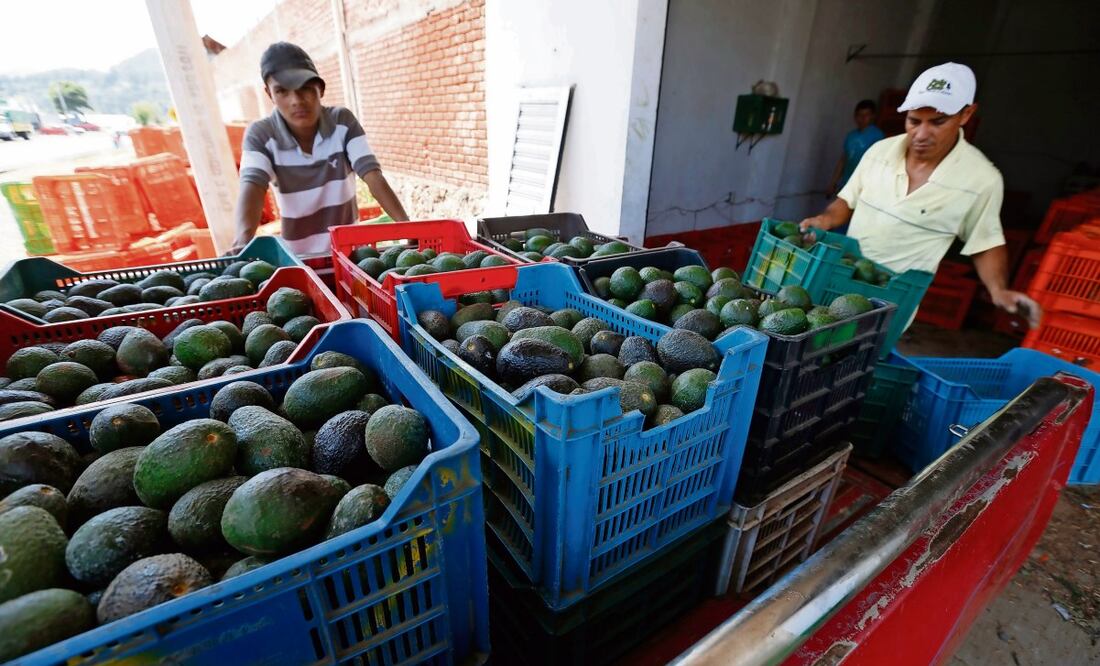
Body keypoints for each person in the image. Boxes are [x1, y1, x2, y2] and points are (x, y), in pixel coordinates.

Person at [800, 62, 1040, 328]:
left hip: (892, 305)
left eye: (938, 122)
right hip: (840, 284)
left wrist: (998, 290)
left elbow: (985, 242)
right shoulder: (879, 152)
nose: (922, 134)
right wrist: (824, 220)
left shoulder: (982, 179)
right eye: (914, 121)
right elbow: (846, 201)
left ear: (966, 114)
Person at [232, 42, 408, 255]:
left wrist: (407, 228)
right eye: (282, 91)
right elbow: (252, 187)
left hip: (349, 256)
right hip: (300, 259)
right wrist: (242, 243)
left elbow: (372, 175)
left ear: (320, 88)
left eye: (304, 88)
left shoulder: (342, 122)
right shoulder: (262, 135)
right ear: (269, 93)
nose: (296, 100)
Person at [828, 99, 884, 196]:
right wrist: (833, 182)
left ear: (873, 116)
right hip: (846, 183)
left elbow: (879, 164)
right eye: (859, 115)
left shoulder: (878, 136)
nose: (862, 118)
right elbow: (843, 160)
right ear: (855, 116)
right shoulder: (851, 136)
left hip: (863, 188)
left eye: (866, 115)